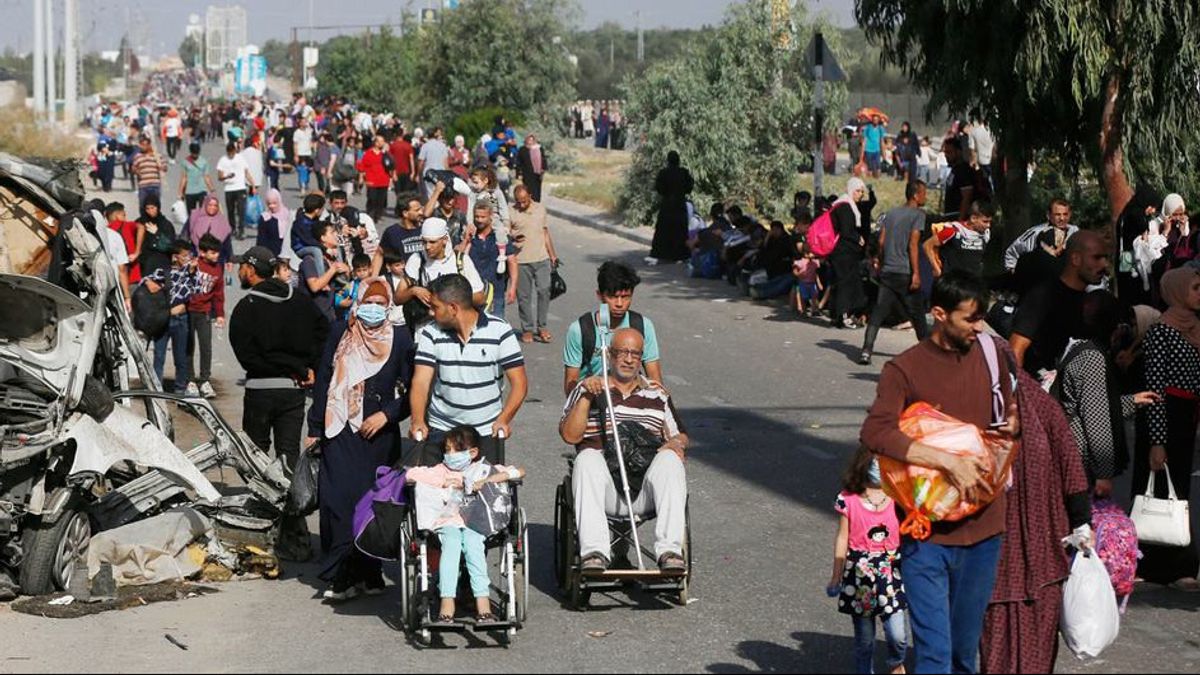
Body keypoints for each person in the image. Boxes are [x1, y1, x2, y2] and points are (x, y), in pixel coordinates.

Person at [860, 271, 1019, 674]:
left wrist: (1011, 430)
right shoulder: (904, 369)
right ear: (938, 314)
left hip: (984, 530)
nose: (978, 327)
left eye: (981, 317)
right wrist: (944, 459)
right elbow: (876, 431)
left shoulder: (991, 353)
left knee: (963, 655)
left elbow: (1008, 416)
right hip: (925, 534)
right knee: (934, 655)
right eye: (969, 318)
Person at [979, 334, 1093, 674]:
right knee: (1003, 636)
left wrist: (1081, 523)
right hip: (1007, 552)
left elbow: (1071, 468)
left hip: (1026, 549)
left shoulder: (1037, 408)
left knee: (1025, 637)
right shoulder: (976, 405)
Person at [305, 277, 414, 601]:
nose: (374, 309)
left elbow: (415, 391)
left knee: (371, 508)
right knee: (336, 502)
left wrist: (388, 414)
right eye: (369, 302)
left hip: (377, 439)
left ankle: (369, 574)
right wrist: (314, 429)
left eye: (381, 304)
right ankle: (341, 575)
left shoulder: (401, 339)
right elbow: (324, 377)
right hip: (338, 431)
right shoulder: (342, 331)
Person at [560, 327, 689, 573]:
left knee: (671, 460)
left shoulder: (657, 393)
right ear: (609, 354)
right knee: (586, 458)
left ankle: (670, 551)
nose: (629, 359)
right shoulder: (588, 389)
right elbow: (570, 435)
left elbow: (680, 435)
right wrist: (586, 397)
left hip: (644, 491)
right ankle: (595, 553)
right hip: (604, 490)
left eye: (635, 354)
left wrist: (676, 443)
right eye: (622, 352)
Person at [230, 246, 330, 561]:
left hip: (260, 390)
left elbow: (244, 351)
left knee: (256, 459)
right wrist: (308, 367)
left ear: (251, 268)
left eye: (241, 266)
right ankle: (294, 532)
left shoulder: (247, 306)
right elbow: (323, 330)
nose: (238, 272)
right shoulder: (300, 301)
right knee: (287, 459)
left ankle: (261, 528)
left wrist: (273, 366)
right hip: (293, 391)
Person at [405, 426, 525, 624]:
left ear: (473, 453)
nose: (449, 455)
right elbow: (409, 475)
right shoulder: (441, 471)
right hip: (447, 522)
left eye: (454, 450)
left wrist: (486, 481)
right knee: (451, 546)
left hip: (475, 524)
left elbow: (518, 472)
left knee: (474, 547)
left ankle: (483, 604)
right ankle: (447, 603)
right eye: (447, 450)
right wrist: (443, 483)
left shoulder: (482, 469)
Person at [408, 274, 529, 465]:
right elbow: (421, 382)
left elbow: (520, 383)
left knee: (485, 490)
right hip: (442, 428)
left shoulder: (500, 331)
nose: (431, 313)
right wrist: (417, 420)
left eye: (436, 307)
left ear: (453, 308)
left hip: (484, 430)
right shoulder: (431, 333)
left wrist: (504, 419)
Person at [1133, 267, 1200, 588]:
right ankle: (1153, 565)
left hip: (1187, 416)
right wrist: (1157, 441)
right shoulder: (1162, 331)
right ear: (1176, 290)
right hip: (1164, 414)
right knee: (1157, 489)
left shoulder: (1195, 328)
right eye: (1195, 288)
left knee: (1179, 491)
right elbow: (1155, 388)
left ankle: (1177, 563)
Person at [1057, 291, 1161, 497]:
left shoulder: (1077, 346)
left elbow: (1093, 403)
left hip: (1070, 456)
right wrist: (1103, 473)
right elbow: (1096, 418)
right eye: (1119, 325)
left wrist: (1131, 401)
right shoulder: (1092, 358)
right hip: (1079, 461)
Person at [828, 448, 908, 675]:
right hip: (858, 575)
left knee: (898, 634)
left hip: (891, 572)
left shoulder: (899, 496)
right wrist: (836, 575)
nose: (879, 468)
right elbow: (843, 537)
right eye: (875, 463)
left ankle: (896, 662)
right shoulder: (848, 500)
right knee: (864, 640)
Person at [1010, 230, 1110, 376]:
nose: (1104, 264)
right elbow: (1016, 348)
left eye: (1105, 258)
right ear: (1075, 259)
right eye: (1097, 258)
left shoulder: (1090, 301)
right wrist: (1015, 393)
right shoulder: (1043, 296)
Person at [563, 261, 664, 395]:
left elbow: (655, 379)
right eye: (613, 297)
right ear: (600, 295)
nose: (619, 304)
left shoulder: (643, 326)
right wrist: (585, 386)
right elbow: (570, 383)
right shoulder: (580, 330)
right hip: (592, 402)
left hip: (631, 402)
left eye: (625, 297)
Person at [861, 181, 931, 364]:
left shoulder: (891, 213)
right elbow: (913, 245)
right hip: (905, 272)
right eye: (924, 193)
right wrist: (916, 273)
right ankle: (931, 356)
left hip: (888, 272)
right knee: (918, 316)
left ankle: (866, 350)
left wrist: (879, 260)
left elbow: (882, 241)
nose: (926, 196)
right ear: (915, 195)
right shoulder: (918, 215)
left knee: (879, 311)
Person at [508, 185, 558, 343]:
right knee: (524, 297)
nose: (522, 205)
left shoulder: (540, 209)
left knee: (544, 291)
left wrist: (553, 255)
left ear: (530, 196)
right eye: (519, 202)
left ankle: (542, 327)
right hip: (521, 260)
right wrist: (513, 237)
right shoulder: (510, 211)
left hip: (541, 258)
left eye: (524, 201)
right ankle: (527, 329)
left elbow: (545, 232)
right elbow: (505, 233)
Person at [184, 234, 226, 399]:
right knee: (188, 346)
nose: (216, 256)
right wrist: (190, 270)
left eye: (217, 253)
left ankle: (204, 380)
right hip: (188, 311)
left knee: (206, 346)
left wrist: (220, 314)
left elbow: (218, 294)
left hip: (204, 311)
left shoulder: (218, 269)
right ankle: (189, 380)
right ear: (202, 252)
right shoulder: (195, 264)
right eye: (212, 252)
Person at [155, 241, 199, 394]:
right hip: (163, 319)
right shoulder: (162, 272)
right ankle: (157, 390)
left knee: (181, 358)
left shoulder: (190, 273)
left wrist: (193, 273)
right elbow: (148, 286)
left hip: (181, 319)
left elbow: (198, 290)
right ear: (175, 257)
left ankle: (180, 389)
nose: (189, 258)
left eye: (190, 255)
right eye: (185, 255)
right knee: (159, 356)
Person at [828, 178, 870, 329]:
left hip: (841, 253)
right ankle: (843, 317)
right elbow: (846, 231)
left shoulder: (842, 204)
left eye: (861, 191)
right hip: (844, 253)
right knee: (845, 285)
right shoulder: (845, 207)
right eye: (858, 191)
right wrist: (858, 238)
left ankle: (839, 315)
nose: (860, 194)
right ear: (851, 189)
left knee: (842, 284)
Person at [465, 200, 518, 317]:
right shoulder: (469, 236)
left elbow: (512, 262)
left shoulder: (501, 237)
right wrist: (466, 240)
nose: (479, 220)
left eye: (483, 217)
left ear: (491, 217)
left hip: (496, 293)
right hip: (473, 293)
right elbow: (459, 257)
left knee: (496, 329)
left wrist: (513, 287)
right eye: (477, 217)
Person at [923, 200, 994, 281]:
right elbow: (927, 245)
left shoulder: (985, 234)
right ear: (973, 218)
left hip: (973, 282)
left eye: (990, 222)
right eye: (985, 221)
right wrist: (936, 268)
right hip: (953, 282)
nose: (988, 225)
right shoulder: (952, 230)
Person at [1002, 199, 1078, 273]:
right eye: (1057, 214)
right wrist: (1014, 274)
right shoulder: (1035, 232)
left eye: (1065, 214)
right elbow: (1012, 252)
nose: (1062, 218)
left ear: (1070, 214)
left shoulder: (1075, 231)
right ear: (1048, 215)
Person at [300, 221, 352, 326]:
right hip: (311, 317)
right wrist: (332, 270)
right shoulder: (310, 260)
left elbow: (344, 283)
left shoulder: (333, 258)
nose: (336, 235)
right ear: (322, 238)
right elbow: (314, 286)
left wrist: (347, 271)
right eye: (332, 233)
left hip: (329, 315)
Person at [649, 151, 695, 263]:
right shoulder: (684, 172)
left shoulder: (663, 173)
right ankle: (680, 254)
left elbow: (659, 188)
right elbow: (689, 187)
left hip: (667, 205)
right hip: (679, 205)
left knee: (664, 230)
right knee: (680, 230)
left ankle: (663, 254)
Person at [373, 196, 426, 275]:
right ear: (405, 213)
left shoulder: (426, 228)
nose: (421, 212)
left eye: (421, 209)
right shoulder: (392, 232)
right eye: (417, 210)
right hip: (402, 278)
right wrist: (374, 278)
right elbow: (380, 254)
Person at [216, 141, 256, 240]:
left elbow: (247, 173)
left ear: (235, 150)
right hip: (229, 189)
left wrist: (253, 185)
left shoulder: (240, 158)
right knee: (230, 210)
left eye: (232, 153)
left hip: (240, 188)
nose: (231, 155)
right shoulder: (223, 160)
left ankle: (241, 230)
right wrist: (226, 176)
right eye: (229, 153)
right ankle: (232, 228)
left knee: (241, 210)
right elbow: (219, 177)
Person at [135, 195, 177, 279]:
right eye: (147, 208)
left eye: (152, 208)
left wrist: (157, 233)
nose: (150, 211)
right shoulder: (140, 222)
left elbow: (170, 246)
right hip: (145, 263)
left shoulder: (165, 224)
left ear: (158, 207)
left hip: (162, 263)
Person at [358, 134, 393, 223]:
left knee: (381, 200)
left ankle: (378, 216)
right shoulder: (368, 153)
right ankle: (370, 215)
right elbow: (362, 166)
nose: (382, 143)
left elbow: (391, 166)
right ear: (375, 143)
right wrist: (361, 178)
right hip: (371, 180)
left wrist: (391, 179)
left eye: (383, 141)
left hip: (383, 180)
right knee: (371, 199)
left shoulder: (385, 154)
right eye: (380, 141)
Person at [940, 138, 977, 218]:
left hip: (957, 216)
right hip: (950, 215)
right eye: (945, 153)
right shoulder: (954, 169)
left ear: (959, 152)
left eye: (949, 152)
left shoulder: (963, 170)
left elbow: (966, 196)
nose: (946, 155)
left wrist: (960, 220)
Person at [178, 141, 215, 216]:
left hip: (202, 190)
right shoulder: (185, 162)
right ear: (190, 151)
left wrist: (212, 189)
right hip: (189, 192)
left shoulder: (204, 162)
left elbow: (206, 177)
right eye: (193, 153)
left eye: (196, 153)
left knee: (203, 212)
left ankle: (202, 227)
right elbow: (184, 178)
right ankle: (193, 227)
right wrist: (180, 192)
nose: (195, 155)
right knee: (192, 215)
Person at [132, 136, 167, 209]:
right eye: (141, 145)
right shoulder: (138, 156)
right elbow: (133, 168)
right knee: (142, 205)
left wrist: (161, 167)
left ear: (149, 145)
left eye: (144, 145)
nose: (142, 147)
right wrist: (137, 172)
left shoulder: (157, 156)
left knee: (155, 206)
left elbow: (165, 168)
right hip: (143, 186)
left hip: (155, 185)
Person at [257, 188, 292, 258]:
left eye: (274, 203)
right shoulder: (265, 217)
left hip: (287, 253)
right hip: (271, 254)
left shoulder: (288, 214)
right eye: (269, 204)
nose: (272, 206)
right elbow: (261, 239)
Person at [417, 127, 450, 200]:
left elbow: (421, 162)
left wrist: (418, 174)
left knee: (431, 195)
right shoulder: (442, 145)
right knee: (440, 194)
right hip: (441, 173)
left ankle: (432, 209)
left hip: (429, 174)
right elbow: (445, 163)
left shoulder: (425, 146)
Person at [516, 134, 548, 202]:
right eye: (529, 139)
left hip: (537, 173)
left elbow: (543, 159)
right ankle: (529, 202)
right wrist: (518, 172)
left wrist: (543, 168)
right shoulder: (522, 149)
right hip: (527, 173)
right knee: (528, 189)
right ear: (526, 140)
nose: (530, 141)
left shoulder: (539, 148)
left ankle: (536, 202)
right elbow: (519, 161)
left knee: (537, 189)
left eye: (532, 140)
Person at [293, 116, 315, 195]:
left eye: (305, 121)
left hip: (308, 153)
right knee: (303, 170)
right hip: (301, 153)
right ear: (299, 123)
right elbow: (295, 144)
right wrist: (296, 155)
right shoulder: (297, 132)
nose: (305, 123)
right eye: (303, 122)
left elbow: (311, 141)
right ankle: (302, 187)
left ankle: (305, 183)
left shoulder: (309, 131)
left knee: (309, 170)